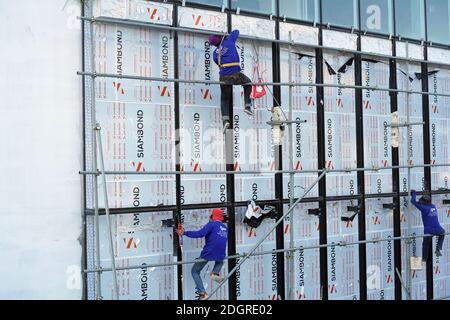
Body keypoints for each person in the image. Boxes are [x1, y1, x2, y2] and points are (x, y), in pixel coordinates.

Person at [209, 30, 254, 134]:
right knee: (248, 83)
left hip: (224, 76)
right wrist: (225, 33)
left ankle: (225, 120)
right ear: (221, 38)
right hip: (236, 75)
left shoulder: (215, 53)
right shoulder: (230, 41)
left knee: (224, 99)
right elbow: (237, 31)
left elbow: (218, 63)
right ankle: (247, 105)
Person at [177, 208, 228, 300]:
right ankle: (215, 273)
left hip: (208, 253)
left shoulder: (211, 224)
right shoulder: (225, 228)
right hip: (221, 254)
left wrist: (184, 233)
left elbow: (200, 234)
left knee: (195, 271)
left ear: (212, 216)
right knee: (220, 260)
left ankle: (203, 293)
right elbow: (220, 241)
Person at [410, 190, 445, 262]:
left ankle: (424, 258)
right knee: (443, 233)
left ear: (423, 202)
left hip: (428, 230)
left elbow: (413, 201)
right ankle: (438, 249)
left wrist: (413, 193)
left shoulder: (423, 208)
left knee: (426, 243)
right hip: (438, 229)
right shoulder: (433, 206)